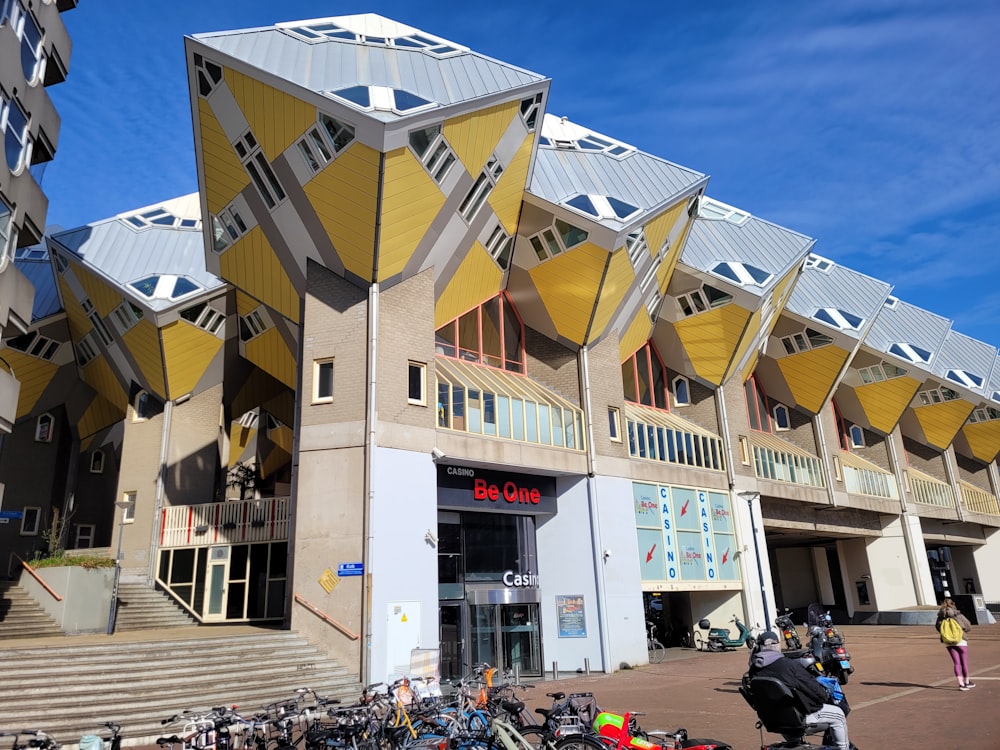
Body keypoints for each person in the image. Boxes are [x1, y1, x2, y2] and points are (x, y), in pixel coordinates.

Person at [748, 631, 852, 750]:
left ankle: (794, 743)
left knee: (785, 709)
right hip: (800, 716)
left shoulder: (754, 669)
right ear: (777, 645)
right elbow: (816, 691)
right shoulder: (789, 665)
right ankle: (843, 748)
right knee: (838, 715)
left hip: (771, 718)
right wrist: (824, 695)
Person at [935, 598, 974, 690]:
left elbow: (938, 627)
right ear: (952, 604)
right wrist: (963, 630)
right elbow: (968, 625)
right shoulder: (958, 614)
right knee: (964, 662)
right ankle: (967, 682)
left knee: (956, 663)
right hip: (960, 640)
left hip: (948, 641)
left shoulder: (940, 616)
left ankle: (961, 684)